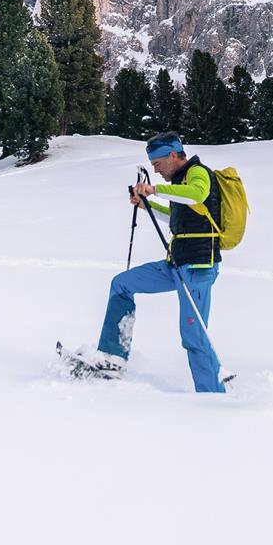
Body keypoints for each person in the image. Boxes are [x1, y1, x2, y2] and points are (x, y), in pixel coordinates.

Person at [86, 131, 226, 393]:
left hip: (198, 268)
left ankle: (213, 396)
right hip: (175, 265)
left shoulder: (198, 172)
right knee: (122, 284)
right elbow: (176, 216)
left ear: (174, 155)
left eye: (158, 164)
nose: (157, 170)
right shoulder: (179, 182)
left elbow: (196, 194)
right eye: (153, 167)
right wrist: (146, 205)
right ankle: (111, 358)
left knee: (193, 336)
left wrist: (155, 189)